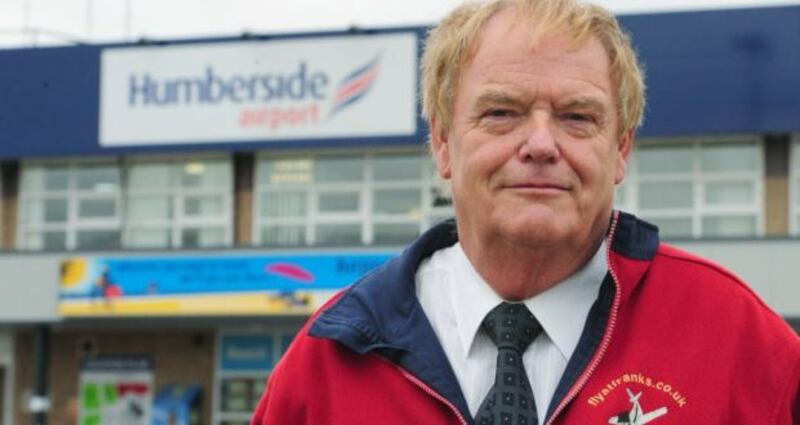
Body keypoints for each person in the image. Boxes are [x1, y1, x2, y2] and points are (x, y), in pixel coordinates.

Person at [252, 0, 800, 423]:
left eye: (577, 117)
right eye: (501, 112)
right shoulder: (327, 362)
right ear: (443, 142)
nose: (541, 144)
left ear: (622, 150)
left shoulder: (742, 343)